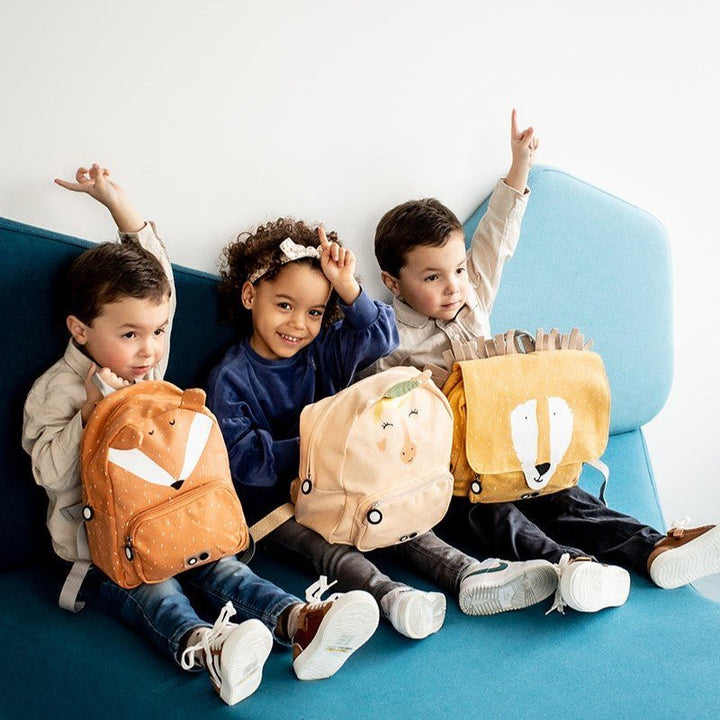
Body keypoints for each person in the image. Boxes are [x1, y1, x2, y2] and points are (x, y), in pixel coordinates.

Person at [22, 164, 379, 707]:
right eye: (130, 334)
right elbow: (48, 471)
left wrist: (117, 202)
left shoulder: (147, 363)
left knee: (225, 565)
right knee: (157, 590)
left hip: (179, 523)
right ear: (80, 330)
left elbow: (157, 272)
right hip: (101, 550)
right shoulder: (57, 392)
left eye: (158, 332)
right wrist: (92, 415)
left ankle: (299, 620)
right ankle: (207, 645)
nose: (148, 349)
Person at [365, 110, 720, 613]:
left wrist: (519, 167)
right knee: (494, 516)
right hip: (459, 477)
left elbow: (495, 238)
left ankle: (653, 548)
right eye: (432, 278)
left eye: (458, 270)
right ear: (393, 281)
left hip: (517, 453)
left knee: (566, 497)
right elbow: (374, 398)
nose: (452, 287)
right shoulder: (385, 332)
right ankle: (569, 567)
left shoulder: (472, 298)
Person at [206, 216, 558, 641]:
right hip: (275, 502)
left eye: (314, 311)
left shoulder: (323, 348)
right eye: (285, 305)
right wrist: (323, 447)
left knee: (390, 515)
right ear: (249, 295)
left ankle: (467, 572)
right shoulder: (231, 376)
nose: (298, 324)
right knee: (328, 547)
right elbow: (244, 459)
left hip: (343, 480)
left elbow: (383, 334)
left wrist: (348, 286)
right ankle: (391, 597)